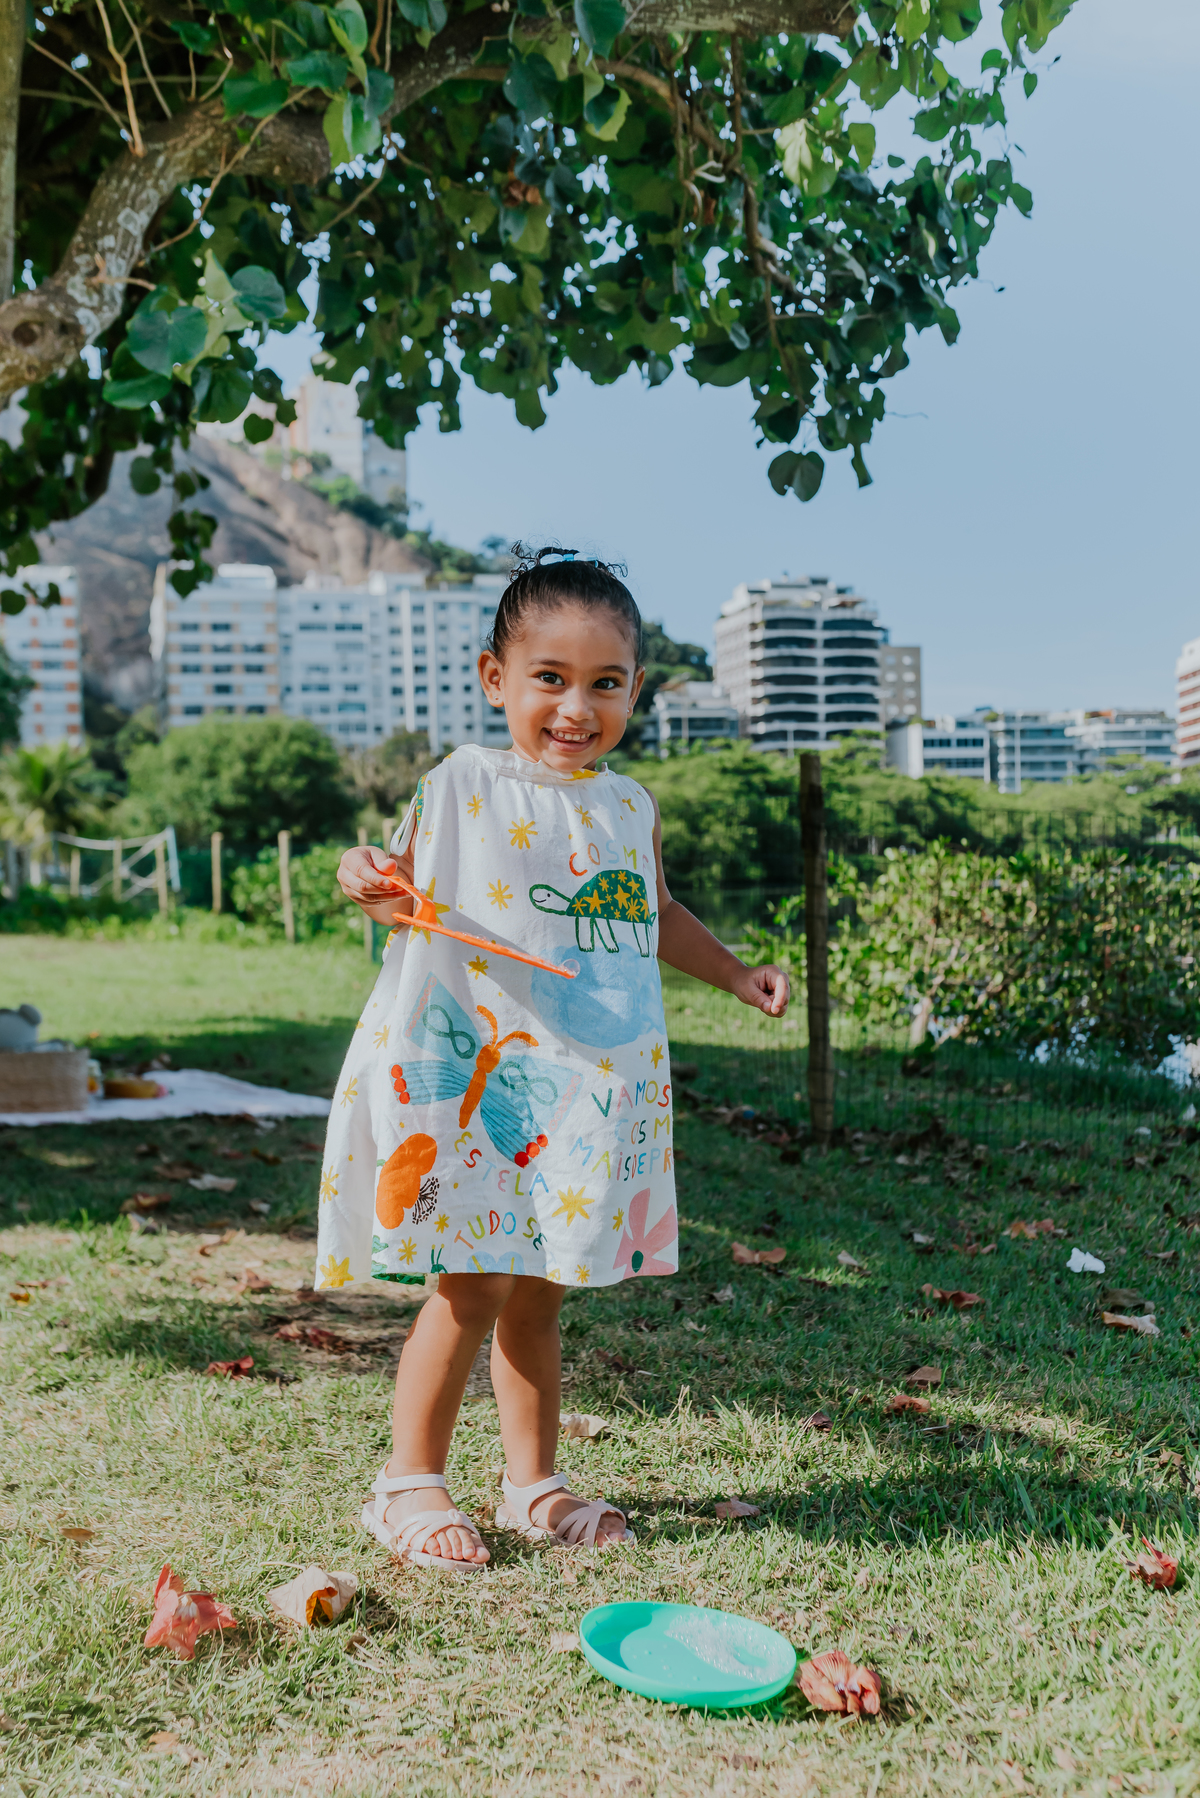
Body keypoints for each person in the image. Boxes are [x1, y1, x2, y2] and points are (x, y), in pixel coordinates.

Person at [321, 547, 790, 1570]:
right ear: (496, 678)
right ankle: (407, 1484)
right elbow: (394, 880)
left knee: (542, 1287)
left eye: (605, 683)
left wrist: (738, 972)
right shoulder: (463, 782)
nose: (577, 706)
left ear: (635, 691)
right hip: (484, 1072)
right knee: (473, 1281)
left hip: (588, 1082)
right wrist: (364, 874)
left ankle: (534, 1483)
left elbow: (653, 912)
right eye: (550, 679)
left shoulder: (630, 805)